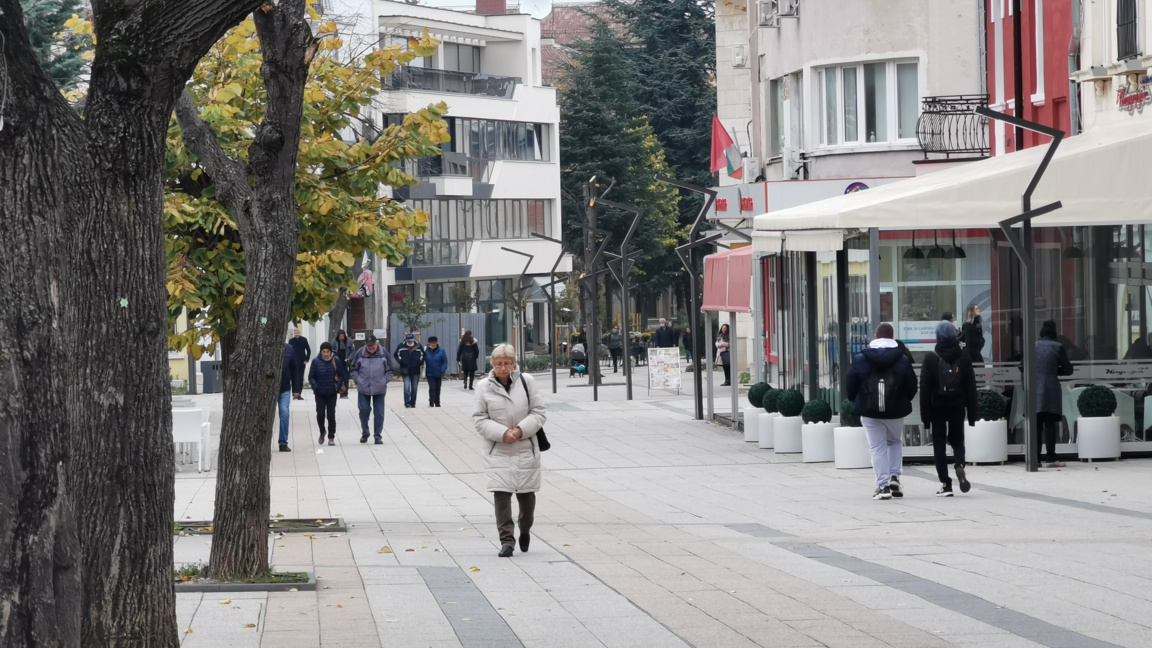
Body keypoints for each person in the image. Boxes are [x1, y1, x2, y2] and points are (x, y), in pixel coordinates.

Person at [473, 344, 546, 558]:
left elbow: (539, 411)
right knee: (501, 494)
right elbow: (479, 418)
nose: (502, 368)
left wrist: (521, 429)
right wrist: (503, 433)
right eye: (498, 364)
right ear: (492, 365)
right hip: (499, 449)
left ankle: (524, 528)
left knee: (527, 496)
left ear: (514, 364)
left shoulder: (526, 382)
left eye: (506, 364)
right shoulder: (483, 386)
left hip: (525, 447)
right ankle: (506, 541)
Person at [845, 323, 919, 500]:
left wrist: (858, 400)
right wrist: (903, 400)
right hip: (895, 410)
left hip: (869, 409)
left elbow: (850, 384)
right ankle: (895, 476)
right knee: (894, 441)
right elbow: (912, 386)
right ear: (892, 338)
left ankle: (883, 486)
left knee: (877, 447)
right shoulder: (902, 359)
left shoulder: (861, 358)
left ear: (876, 337)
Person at [920, 322, 977, 497]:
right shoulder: (964, 357)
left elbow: (924, 389)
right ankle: (959, 464)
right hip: (957, 405)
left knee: (939, 444)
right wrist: (973, 414)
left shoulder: (930, 358)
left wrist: (925, 418)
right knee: (957, 439)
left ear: (938, 336)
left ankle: (946, 484)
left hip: (937, 407)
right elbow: (971, 387)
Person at [1037, 320, 1074, 468]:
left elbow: (1022, 367)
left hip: (1035, 389)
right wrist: (1054, 371)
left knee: (1036, 425)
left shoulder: (1033, 346)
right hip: (1051, 389)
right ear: (1054, 333)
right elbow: (1068, 369)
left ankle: (1035, 459)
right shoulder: (1058, 347)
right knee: (1050, 423)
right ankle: (1051, 457)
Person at [350, 334, 392, 444]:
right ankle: (365, 432)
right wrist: (358, 380)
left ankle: (377, 436)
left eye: (372, 345)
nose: (371, 348)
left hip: (379, 388)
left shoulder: (384, 353)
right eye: (368, 346)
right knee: (363, 410)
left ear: (376, 344)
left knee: (379, 413)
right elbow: (353, 368)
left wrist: (384, 381)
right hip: (363, 387)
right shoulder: (360, 352)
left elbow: (390, 370)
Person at [308, 342, 347, 446]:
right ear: (321, 352)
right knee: (320, 415)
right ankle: (322, 431)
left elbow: (342, 375)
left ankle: (331, 437)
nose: (326, 354)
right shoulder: (316, 361)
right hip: (320, 393)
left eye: (327, 352)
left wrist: (336, 386)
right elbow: (311, 377)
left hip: (331, 392)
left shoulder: (336, 360)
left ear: (331, 352)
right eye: (324, 352)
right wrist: (315, 388)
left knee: (331, 415)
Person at [278, 342, 302, 452]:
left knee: (284, 413)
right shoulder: (264, 345)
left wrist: (296, 389)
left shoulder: (288, 349)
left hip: (284, 388)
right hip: (267, 388)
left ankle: (283, 442)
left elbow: (294, 369)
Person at [394, 333, 425, 408]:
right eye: (409, 340)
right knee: (407, 387)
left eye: (411, 340)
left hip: (416, 370)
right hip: (405, 370)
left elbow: (423, 355)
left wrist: (419, 362)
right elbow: (396, 355)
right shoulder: (401, 346)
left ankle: (413, 403)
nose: (410, 342)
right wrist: (401, 361)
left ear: (414, 339)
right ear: (406, 339)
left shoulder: (419, 346)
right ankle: (407, 403)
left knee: (414, 388)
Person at [424, 336, 448, 407]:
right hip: (429, 373)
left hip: (438, 372)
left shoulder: (441, 350)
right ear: (429, 343)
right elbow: (422, 360)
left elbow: (445, 361)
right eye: (432, 343)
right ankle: (431, 401)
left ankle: (437, 402)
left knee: (438, 388)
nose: (434, 344)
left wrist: (443, 369)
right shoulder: (426, 351)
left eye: (435, 342)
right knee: (432, 388)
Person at [288, 328, 311, 400]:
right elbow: (289, 350)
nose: (296, 334)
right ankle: (294, 393)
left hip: (301, 361)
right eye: (295, 332)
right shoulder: (291, 341)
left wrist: (307, 359)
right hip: (293, 362)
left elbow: (308, 350)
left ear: (300, 332)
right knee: (294, 378)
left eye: (298, 332)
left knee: (300, 378)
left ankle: (299, 394)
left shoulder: (304, 340)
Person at [333, 329, 353, 398]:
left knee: (346, 378)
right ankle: (339, 391)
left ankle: (345, 393)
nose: (341, 337)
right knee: (338, 378)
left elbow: (353, 351)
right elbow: (332, 350)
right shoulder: (334, 341)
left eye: (342, 336)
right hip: (337, 362)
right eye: (340, 336)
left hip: (346, 362)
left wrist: (349, 358)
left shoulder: (349, 341)